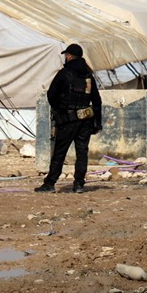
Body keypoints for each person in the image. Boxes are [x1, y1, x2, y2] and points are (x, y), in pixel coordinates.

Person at [35, 43, 102, 194]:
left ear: (70, 56)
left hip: (67, 120)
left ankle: (50, 183)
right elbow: (96, 100)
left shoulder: (64, 73)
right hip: (85, 120)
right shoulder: (88, 75)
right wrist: (97, 122)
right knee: (82, 153)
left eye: (66, 55)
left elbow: (51, 94)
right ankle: (79, 184)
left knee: (60, 152)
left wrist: (59, 110)